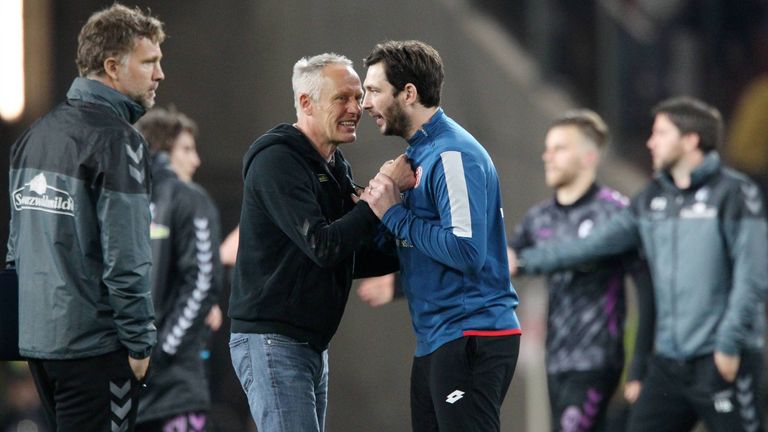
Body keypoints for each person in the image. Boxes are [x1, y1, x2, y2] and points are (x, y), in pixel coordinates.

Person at [513, 97, 768, 432]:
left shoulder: (734, 192)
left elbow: (753, 276)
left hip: (722, 358)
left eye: (661, 133)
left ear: (690, 140)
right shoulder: (651, 199)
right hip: (671, 362)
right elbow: (589, 247)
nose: (651, 142)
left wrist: (728, 343)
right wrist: (524, 262)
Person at [6, 3, 165, 431]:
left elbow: (14, 252)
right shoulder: (118, 142)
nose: (159, 74)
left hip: (40, 348)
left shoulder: (34, 136)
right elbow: (127, 258)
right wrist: (140, 346)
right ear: (112, 66)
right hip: (96, 350)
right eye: (149, 62)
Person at [228, 53, 401, 432]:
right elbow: (324, 246)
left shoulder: (335, 166)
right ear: (306, 102)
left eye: (358, 98)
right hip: (273, 341)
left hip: (307, 344)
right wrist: (376, 201)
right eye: (342, 98)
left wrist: (408, 240)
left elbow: (350, 253)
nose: (356, 108)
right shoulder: (277, 161)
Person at [359, 40, 522, 432]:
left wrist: (393, 214)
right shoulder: (418, 155)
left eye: (374, 90)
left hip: (472, 332)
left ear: (409, 93)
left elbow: (466, 251)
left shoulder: (452, 155)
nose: (365, 103)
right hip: (437, 338)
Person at [507, 109, 655, 431]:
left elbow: (647, 289)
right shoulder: (539, 218)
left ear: (589, 157)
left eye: (560, 148)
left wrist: (639, 364)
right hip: (555, 357)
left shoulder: (615, 213)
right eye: (548, 148)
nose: (548, 156)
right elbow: (498, 262)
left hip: (597, 360)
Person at [134, 107, 223, 432]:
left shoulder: (118, 202)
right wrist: (163, 350)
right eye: (186, 149)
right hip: (175, 388)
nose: (196, 160)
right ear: (159, 151)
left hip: (124, 391)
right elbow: (202, 282)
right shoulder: (190, 199)